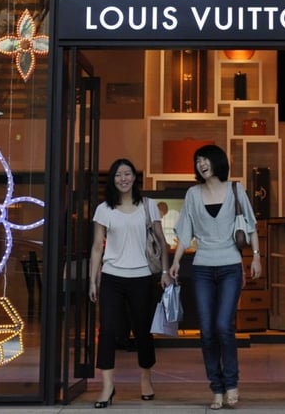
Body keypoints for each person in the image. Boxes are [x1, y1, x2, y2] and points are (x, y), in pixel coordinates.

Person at [170, 145, 261, 411]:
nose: (201, 164)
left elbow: (251, 225)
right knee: (207, 330)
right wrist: (175, 262)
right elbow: (185, 232)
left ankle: (231, 383)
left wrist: (255, 257)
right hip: (202, 267)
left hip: (231, 265)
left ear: (218, 161)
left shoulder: (236, 189)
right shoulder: (192, 194)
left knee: (223, 326)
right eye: (197, 160)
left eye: (206, 159)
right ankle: (217, 387)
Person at [88, 158, 171, 408]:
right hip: (112, 276)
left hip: (143, 277)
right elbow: (96, 247)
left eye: (128, 174)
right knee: (108, 331)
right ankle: (107, 386)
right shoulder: (104, 209)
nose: (123, 178)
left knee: (143, 331)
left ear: (134, 178)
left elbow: (161, 240)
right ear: (113, 180)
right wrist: (93, 280)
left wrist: (166, 271)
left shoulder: (149, 206)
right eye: (118, 175)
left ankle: (146, 378)